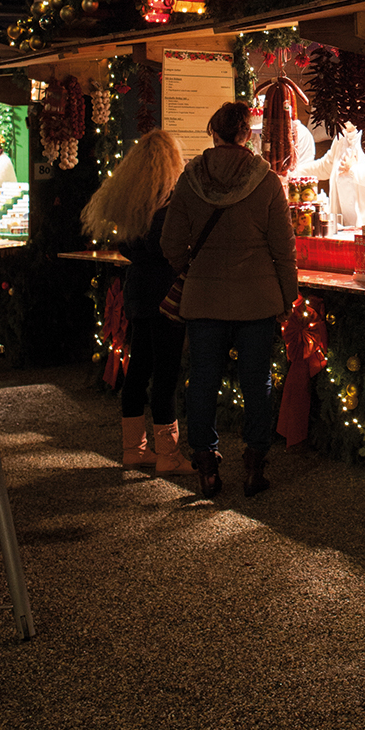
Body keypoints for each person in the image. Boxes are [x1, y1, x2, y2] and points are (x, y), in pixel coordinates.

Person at [161, 99, 297, 498]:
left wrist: (193, 267)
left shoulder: (189, 181)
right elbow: (283, 249)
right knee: (257, 382)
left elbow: (170, 243)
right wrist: (288, 297)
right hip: (258, 300)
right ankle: (254, 465)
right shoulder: (268, 182)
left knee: (203, 379)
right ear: (245, 134)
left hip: (204, 299)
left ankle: (206, 464)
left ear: (214, 133)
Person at [80, 128, 191, 473]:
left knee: (138, 369)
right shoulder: (169, 206)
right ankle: (168, 455)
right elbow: (170, 250)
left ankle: (134, 448)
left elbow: (127, 247)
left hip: (138, 292)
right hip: (167, 297)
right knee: (166, 375)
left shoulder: (133, 203)